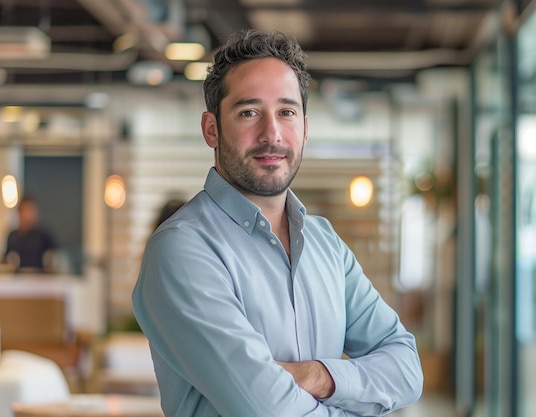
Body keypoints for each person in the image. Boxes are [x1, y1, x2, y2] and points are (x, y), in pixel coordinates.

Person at [132, 29, 423, 417]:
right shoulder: (182, 249)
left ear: (305, 127)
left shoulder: (325, 244)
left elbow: (406, 367)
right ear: (211, 129)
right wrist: (358, 395)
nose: (271, 134)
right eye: (248, 112)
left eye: (286, 112)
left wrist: (321, 376)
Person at [4, 195, 57, 272]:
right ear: (19, 212)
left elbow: (55, 252)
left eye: (31, 211)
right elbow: (6, 258)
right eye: (25, 210)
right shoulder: (13, 235)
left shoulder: (42, 234)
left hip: (38, 277)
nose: (28, 215)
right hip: (18, 277)